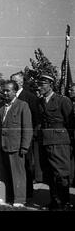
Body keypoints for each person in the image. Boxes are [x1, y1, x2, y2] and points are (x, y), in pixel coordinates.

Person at [0, 80, 33, 207]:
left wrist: (24, 146)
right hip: (2, 145)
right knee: (3, 172)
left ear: (15, 92)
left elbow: (27, 128)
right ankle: (3, 196)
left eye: (8, 90)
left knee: (18, 174)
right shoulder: (0, 106)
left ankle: (19, 200)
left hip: (16, 146)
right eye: (4, 90)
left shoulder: (23, 105)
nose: (5, 93)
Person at [37, 75, 73, 210]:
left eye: (42, 84)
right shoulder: (39, 102)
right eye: (38, 84)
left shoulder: (62, 101)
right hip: (45, 140)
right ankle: (54, 201)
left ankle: (64, 202)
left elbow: (70, 123)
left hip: (59, 141)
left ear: (51, 84)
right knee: (49, 173)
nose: (39, 87)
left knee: (61, 173)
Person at [11, 71, 43, 202]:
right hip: (13, 138)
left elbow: (35, 118)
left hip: (25, 137)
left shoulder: (29, 97)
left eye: (15, 81)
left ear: (21, 82)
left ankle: (28, 192)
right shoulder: (8, 96)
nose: (13, 83)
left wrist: (30, 136)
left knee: (27, 165)